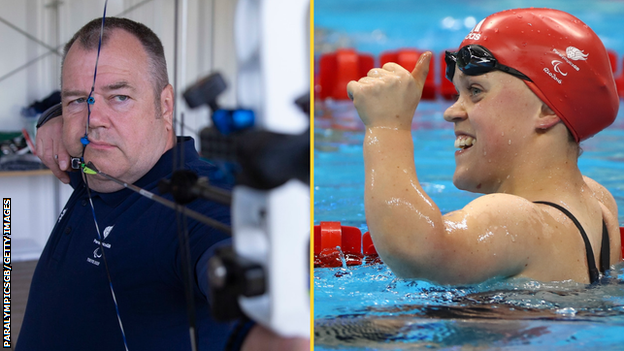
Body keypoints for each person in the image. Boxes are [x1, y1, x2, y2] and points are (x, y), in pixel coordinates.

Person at [20, 17, 308, 351]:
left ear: (165, 106)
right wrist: (51, 119)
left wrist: (280, 326)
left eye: (120, 97)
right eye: (77, 101)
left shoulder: (198, 201)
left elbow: (229, 256)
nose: (92, 120)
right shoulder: (96, 167)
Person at [346, 8, 622, 285]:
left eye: (475, 91)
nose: (451, 112)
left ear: (547, 110)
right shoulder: (597, 203)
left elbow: (415, 251)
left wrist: (386, 127)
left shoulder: (517, 223)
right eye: (457, 93)